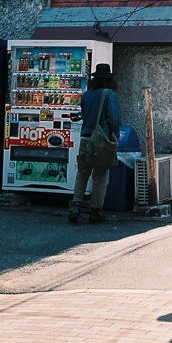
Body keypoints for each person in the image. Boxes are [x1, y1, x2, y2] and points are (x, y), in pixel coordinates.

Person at [68, 63, 121, 224]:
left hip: (85, 139)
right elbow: (114, 119)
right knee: (100, 176)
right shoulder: (109, 95)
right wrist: (115, 138)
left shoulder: (86, 95)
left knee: (82, 174)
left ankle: (76, 206)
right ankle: (95, 211)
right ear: (109, 80)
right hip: (101, 141)